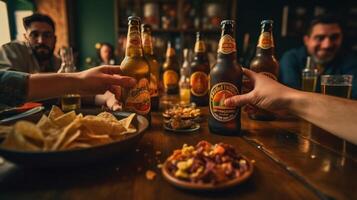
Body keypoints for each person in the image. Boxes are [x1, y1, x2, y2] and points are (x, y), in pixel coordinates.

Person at [225, 68, 357, 145]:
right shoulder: (293, 56)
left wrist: (287, 99)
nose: (327, 44)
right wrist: (287, 104)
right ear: (306, 39)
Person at [279, 14, 357, 99]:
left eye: (334, 37)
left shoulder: (350, 60)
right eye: (320, 38)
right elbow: (292, 96)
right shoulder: (291, 58)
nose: (327, 45)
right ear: (306, 40)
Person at [0, 65, 136, 110]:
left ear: (54, 38)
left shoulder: (57, 61)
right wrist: (78, 80)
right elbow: (6, 85)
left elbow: (79, 93)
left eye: (47, 35)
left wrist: (106, 98)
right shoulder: (16, 56)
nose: (41, 40)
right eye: (34, 34)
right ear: (25, 36)